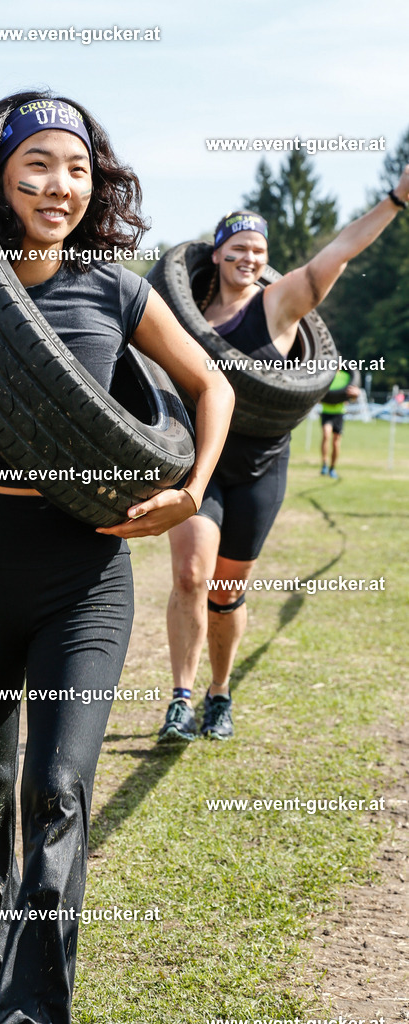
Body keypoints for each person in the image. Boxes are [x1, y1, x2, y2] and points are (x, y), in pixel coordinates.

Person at [0, 90, 233, 1024]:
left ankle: (36, 1006)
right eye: (38, 164)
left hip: (83, 572)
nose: (59, 184)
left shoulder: (112, 286)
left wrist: (192, 490)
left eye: (77, 167)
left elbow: (209, 387)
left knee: (57, 785)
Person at [157, 167, 409, 745]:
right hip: (202, 462)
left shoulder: (276, 305)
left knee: (225, 590)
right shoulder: (181, 310)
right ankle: (180, 697)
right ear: (216, 254)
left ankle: (220, 693)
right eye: (240, 247)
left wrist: (395, 200)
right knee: (190, 574)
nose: (250, 257)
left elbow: (336, 254)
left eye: (260, 250)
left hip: (260, 467)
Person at [320, 369, 361, 478]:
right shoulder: (325, 375)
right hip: (326, 411)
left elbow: (351, 396)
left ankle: (332, 468)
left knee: (336, 442)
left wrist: (356, 394)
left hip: (339, 412)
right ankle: (324, 464)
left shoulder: (346, 376)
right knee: (326, 434)